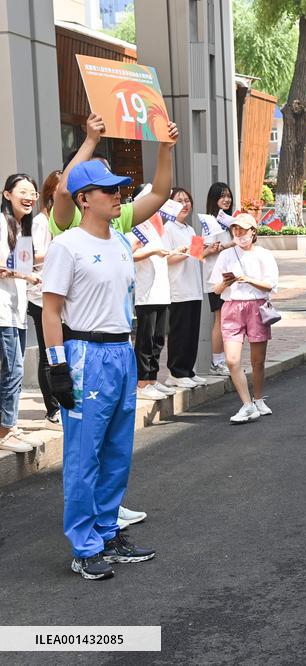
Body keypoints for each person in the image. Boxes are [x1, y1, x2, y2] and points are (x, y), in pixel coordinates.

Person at [42, 159, 158, 581]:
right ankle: (83, 546)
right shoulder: (67, 245)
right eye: (107, 190)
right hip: (85, 356)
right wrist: (57, 369)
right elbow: (51, 312)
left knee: (116, 453)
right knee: (83, 456)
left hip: (121, 353)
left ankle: (109, 534)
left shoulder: (123, 243)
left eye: (118, 189)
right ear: (83, 198)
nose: (117, 195)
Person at [210, 213, 279, 423]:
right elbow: (215, 288)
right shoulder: (226, 255)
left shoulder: (264, 254)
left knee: (258, 361)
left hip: (257, 306)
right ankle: (247, 404)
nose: (239, 233)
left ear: (253, 232)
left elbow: (271, 285)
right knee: (232, 360)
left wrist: (247, 279)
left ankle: (258, 399)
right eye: (235, 229)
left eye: (243, 229)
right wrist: (227, 283)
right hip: (231, 307)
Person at [1, 174, 42, 454]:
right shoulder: (1, 224)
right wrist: (27, 278)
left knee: (12, 369)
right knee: (12, 370)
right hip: (3, 310)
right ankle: (6, 430)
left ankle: (9, 426)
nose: (29, 197)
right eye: (23, 191)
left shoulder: (22, 228)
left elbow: (25, 266)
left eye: (33, 193)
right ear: (7, 195)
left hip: (17, 310)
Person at [130, 195, 176, 401]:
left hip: (161, 292)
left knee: (158, 339)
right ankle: (142, 382)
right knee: (145, 340)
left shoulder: (156, 227)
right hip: (145, 293)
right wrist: (153, 250)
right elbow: (130, 254)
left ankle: (152, 378)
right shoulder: (136, 226)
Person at [162, 187, 207, 388]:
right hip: (178, 288)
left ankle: (188, 370)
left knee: (191, 332)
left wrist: (208, 250)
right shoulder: (167, 229)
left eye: (187, 200)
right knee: (179, 332)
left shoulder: (190, 229)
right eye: (179, 200)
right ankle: (176, 372)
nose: (184, 204)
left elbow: (196, 256)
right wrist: (188, 251)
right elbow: (167, 258)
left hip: (194, 287)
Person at [27, 170, 61, 423]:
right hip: (40, 296)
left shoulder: (62, 219)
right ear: (50, 193)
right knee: (48, 354)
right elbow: (31, 255)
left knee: (59, 350)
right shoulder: (40, 221)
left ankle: (61, 402)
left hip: (59, 294)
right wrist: (59, 248)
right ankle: (52, 409)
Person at [202, 182, 236, 376]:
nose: (226, 199)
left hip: (232, 278)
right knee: (220, 319)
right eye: (222, 196)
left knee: (229, 320)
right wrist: (228, 245)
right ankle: (216, 362)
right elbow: (200, 252)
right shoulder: (208, 223)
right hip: (215, 280)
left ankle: (226, 359)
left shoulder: (230, 222)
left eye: (228, 196)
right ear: (214, 200)